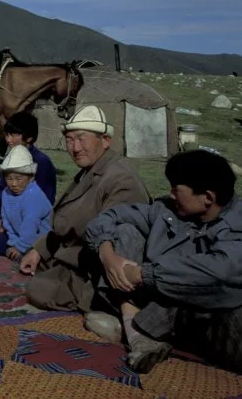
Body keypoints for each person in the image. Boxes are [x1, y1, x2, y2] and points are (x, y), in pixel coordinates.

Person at [85, 150, 242, 375]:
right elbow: (109, 217)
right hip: (192, 325)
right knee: (126, 231)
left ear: (208, 198)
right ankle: (137, 329)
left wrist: (144, 274)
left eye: (177, 190)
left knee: (197, 281)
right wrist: (107, 254)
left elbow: (214, 275)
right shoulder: (170, 211)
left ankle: (135, 329)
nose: (171, 195)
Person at [20, 105, 150, 312]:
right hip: (72, 257)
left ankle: (110, 309)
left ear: (105, 140)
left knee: (39, 291)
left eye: (81, 139)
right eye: (70, 140)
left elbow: (119, 243)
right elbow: (67, 221)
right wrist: (39, 250)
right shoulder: (91, 171)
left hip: (93, 271)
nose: (75, 147)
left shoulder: (121, 179)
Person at [0, 111, 56, 254]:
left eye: (14, 135)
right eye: (7, 135)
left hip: (33, 222)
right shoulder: (10, 158)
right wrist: (1, 220)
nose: (8, 139)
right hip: (11, 219)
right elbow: (3, 194)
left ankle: (26, 248)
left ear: (29, 137)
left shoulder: (42, 162)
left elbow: (44, 200)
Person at [0, 145, 52, 261]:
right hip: (17, 236)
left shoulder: (33, 195)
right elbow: (7, 221)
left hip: (39, 240)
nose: (14, 184)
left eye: (19, 179)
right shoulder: (7, 193)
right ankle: (15, 251)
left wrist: (20, 247)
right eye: (9, 179)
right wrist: (13, 243)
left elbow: (30, 227)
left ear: (30, 177)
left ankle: (24, 254)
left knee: (20, 255)